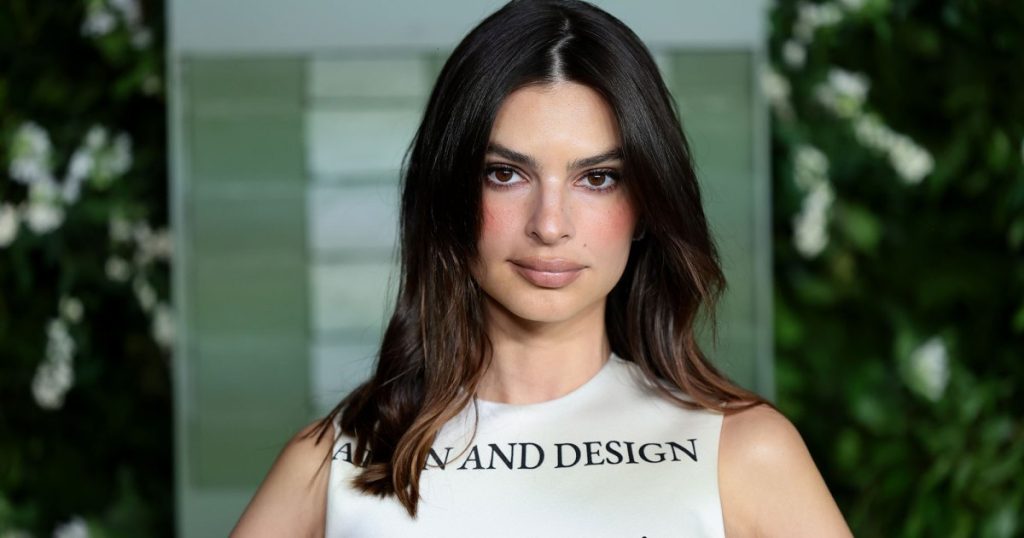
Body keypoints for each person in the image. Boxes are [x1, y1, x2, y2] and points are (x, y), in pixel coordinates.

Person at [232, 0, 853, 536]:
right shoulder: (334, 465)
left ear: (646, 205)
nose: (550, 225)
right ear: (449, 195)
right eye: (505, 174)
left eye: (598, 178)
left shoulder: (742, 454)